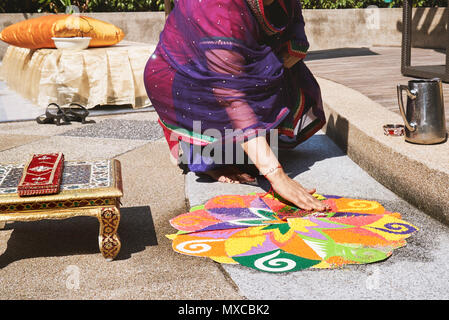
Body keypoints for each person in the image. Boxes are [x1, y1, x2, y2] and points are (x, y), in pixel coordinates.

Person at [144, 0, 329, 211]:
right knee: (227, 147)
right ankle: (201, 157)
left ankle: (230, 151)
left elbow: (292, 21)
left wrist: (289, 52)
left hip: (240, 64)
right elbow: (229, 93)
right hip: (186, 76)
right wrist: (276, 174)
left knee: (248, 153)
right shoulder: (214, 6)